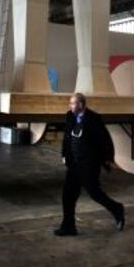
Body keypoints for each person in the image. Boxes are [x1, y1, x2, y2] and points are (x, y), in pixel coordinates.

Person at [54, 92, 125, 236]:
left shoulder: (94, 119)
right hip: (73, 163)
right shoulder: (69, 116)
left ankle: (117, 209)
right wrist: (64, 155)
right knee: (68, 195)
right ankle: (69, 226)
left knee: (95, 193)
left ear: (81, 104)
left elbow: (105, 140)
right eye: (70, 103)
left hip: (88, 164)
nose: (70, 106)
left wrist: (107, 160)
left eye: (73, 103)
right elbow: (67, 138)